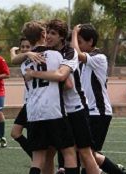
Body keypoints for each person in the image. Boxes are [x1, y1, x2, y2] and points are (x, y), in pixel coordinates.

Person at [25, 19, 100, 174]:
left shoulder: (69, 52)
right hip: (57, 111)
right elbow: (17, 59)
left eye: (53, 33)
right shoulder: (46, 52)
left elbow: (63, 78)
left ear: (61, 37)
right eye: (48, 32)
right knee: (50, 153)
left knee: (85, 152)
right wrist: (27, 53)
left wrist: (34, 74)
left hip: (75, 107)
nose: (49, 36)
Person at [21, 20, 79, 174]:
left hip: (33, 113)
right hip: (54, 111)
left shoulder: (24, 62)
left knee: (38, 158)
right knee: (69, 152)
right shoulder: (56, 55)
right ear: (43, 34)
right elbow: (67, 84)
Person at [72, 24, 126, 174]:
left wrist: (74, 33)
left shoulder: (99, 58)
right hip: (88, 112)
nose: (76, 44)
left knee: (87, 154)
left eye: (80, 41)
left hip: (99, 112)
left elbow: (76, 53)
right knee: (86, 153)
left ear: (90, 41)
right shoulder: (82, 61)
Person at [10, 37, 32, 158]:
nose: (24, 49)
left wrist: (12, 51)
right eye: (22, 47)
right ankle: (37, 160)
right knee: (15, 133)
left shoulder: (30, 61)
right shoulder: (24, 61)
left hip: (34, 103)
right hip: (29, 103)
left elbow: (13, 59)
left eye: (27, 47)